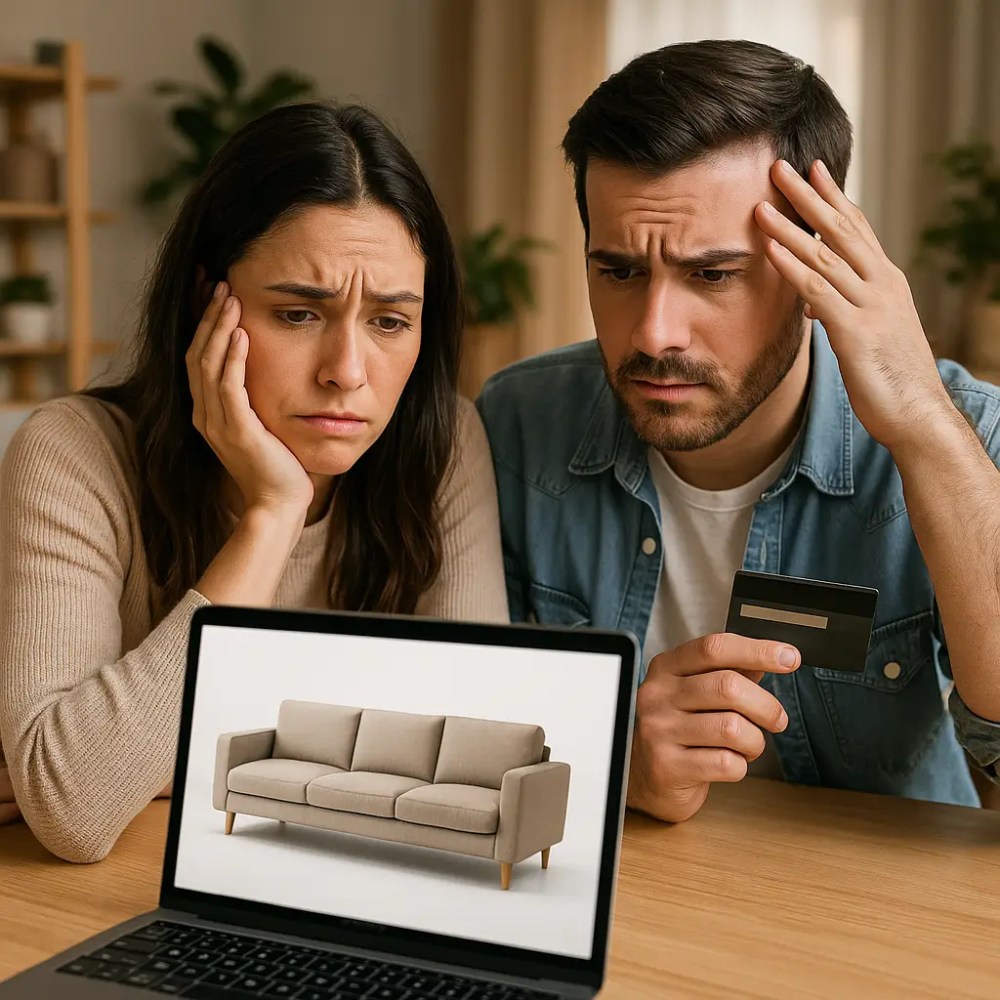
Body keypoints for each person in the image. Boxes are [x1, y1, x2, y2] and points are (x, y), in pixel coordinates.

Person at [476, 40, 1000, 823]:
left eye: (712, 274)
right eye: (619, 271)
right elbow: (474, 738)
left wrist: (922, 423)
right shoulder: (518, 425)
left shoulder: (964, 435)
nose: (655, 333)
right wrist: (615, 765)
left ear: (818, 263)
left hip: (877, 895)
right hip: (636, 884)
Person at [0, 102, 509, 862]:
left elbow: (473, 754)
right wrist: (273, 512)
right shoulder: (74, 452)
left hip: (341, 881)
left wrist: (166, 760)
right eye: (299, 314)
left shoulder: (442, 445)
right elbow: (74, 809)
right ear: (207, 299)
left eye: (389, 321)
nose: (347, 371)